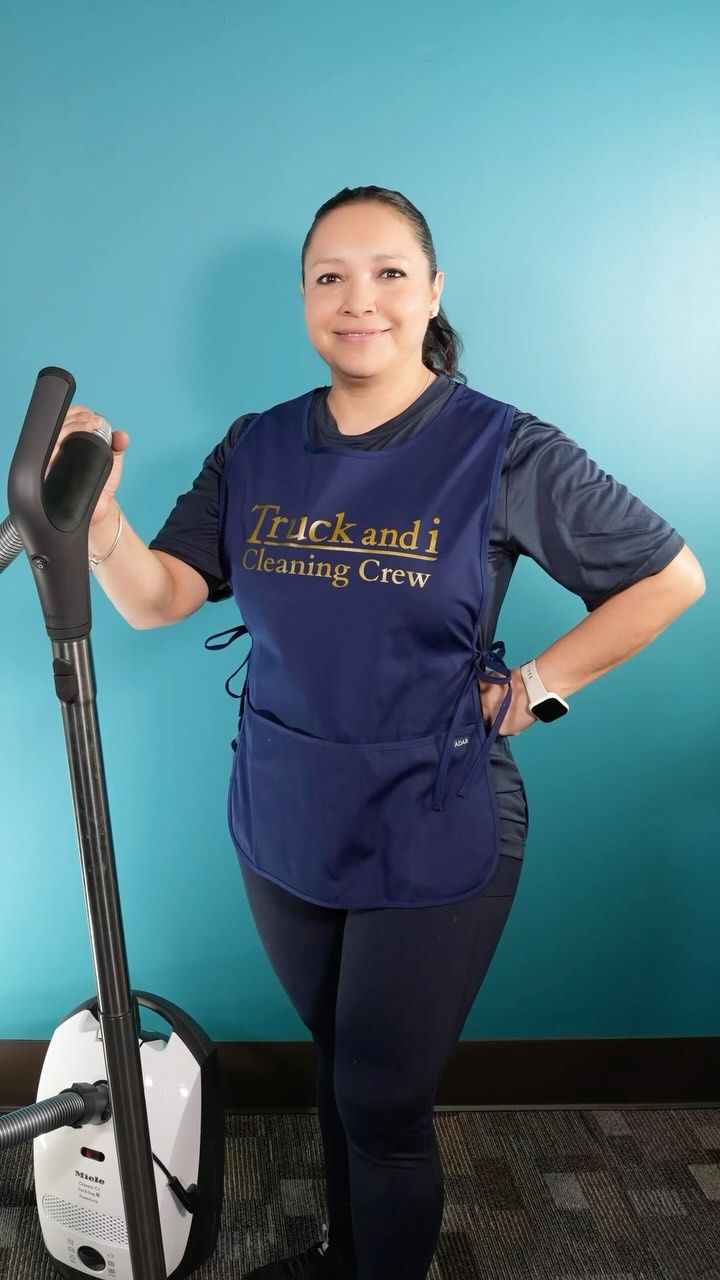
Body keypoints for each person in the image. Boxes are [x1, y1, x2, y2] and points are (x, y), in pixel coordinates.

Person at [57, 185, 705, 1280]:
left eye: (390, 272)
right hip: (287, 806)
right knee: (342, 1063)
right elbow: (160, 596)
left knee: (383, 1098)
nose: (360, 299)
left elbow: (671, 576)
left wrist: (538, 685)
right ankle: (348, 1251)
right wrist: (106, 526)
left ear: (433, 289)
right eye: (330, 277)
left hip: (436, 814)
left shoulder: (501, 448)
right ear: (305, 297)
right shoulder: (257, 445)